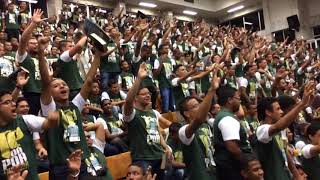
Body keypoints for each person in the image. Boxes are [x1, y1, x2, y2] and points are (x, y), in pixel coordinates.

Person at [38, 33, 101, 179]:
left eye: (64, 84)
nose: (62, 86)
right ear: (50, 92)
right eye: (56, 86)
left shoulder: (75, 105)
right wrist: (41, 52)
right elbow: (46, 81)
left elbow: (89, 81)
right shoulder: (50, 109)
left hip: (82, 161)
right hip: (61, 166)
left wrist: (98, 54)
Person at [255, 82, 314, 180]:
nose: (281, 112)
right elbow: (277, 127)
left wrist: (296, 175)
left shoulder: (280, 131)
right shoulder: (262, 130)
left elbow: (285, 152)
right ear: (268, 112)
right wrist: (301, 104)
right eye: (278, 109)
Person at [123, 63, 171, 180]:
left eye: (148, 93)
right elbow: (128, 102)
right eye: (143, 94)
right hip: (143, 159)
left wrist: (166, 148)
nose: (148, 95)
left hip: (160, 156)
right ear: (136, 97)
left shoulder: (153, 112)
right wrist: (139, 78)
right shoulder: (132, 114)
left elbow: (157, 133)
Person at [0, 90, 60, 180]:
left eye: (13, 101)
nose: (13, 104)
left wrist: (52, 120)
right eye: (7, 102)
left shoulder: (24, 120)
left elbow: (48, 123)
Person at [178, 67, 220, 179]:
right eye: (195, 106)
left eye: (199, 104)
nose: (200, 107)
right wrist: (212, 90)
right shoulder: (183, 131)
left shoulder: (207, 124)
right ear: (186, 113)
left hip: (214, 172)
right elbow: (198, 120)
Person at [213, 86, 252, 179]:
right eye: (238, 99)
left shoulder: (226, 115)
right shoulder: (227, 118)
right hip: (232, 167)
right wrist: (247, 163)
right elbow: (232, 147)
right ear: (230, 100)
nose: (240, 102)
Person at [15, 9, 44, 115]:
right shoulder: (23, 57)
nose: (35, 44)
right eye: (32, 43)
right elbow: (23, 40)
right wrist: (34, 24)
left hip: (43, 92)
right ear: (26, 46)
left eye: (36, 43)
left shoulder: (41, 58)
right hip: (30, 93)